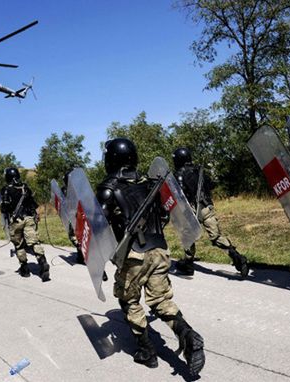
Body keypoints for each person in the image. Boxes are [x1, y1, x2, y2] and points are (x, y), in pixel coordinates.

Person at [96, 138, 205, 376]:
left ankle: (147, 350)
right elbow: (166, 215)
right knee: (160, 300)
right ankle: (187, 335)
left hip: (134, 255)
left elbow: (99, 227)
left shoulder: (108, 187)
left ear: (112, 159)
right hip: (161, 250)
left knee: (129, 300)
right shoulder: (152, 183)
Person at [172, 148, 249, 277]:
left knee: (188, 236)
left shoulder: (179, 173)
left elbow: (179, 193)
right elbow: (211, 185)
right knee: (217, 237)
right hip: (207, 208)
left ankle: (188, 263)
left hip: (191, 210)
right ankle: (238, 259)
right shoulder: (200, 171)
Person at [0, 167, 50, 282]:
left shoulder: (6, 189)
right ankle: (42, 262)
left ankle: (25, 268)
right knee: (34, 241)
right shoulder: (25, 187)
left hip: (16, 221)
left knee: (19, 245)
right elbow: (33, 204)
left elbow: (4, 208)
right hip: (29, 218)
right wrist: (36, 215)